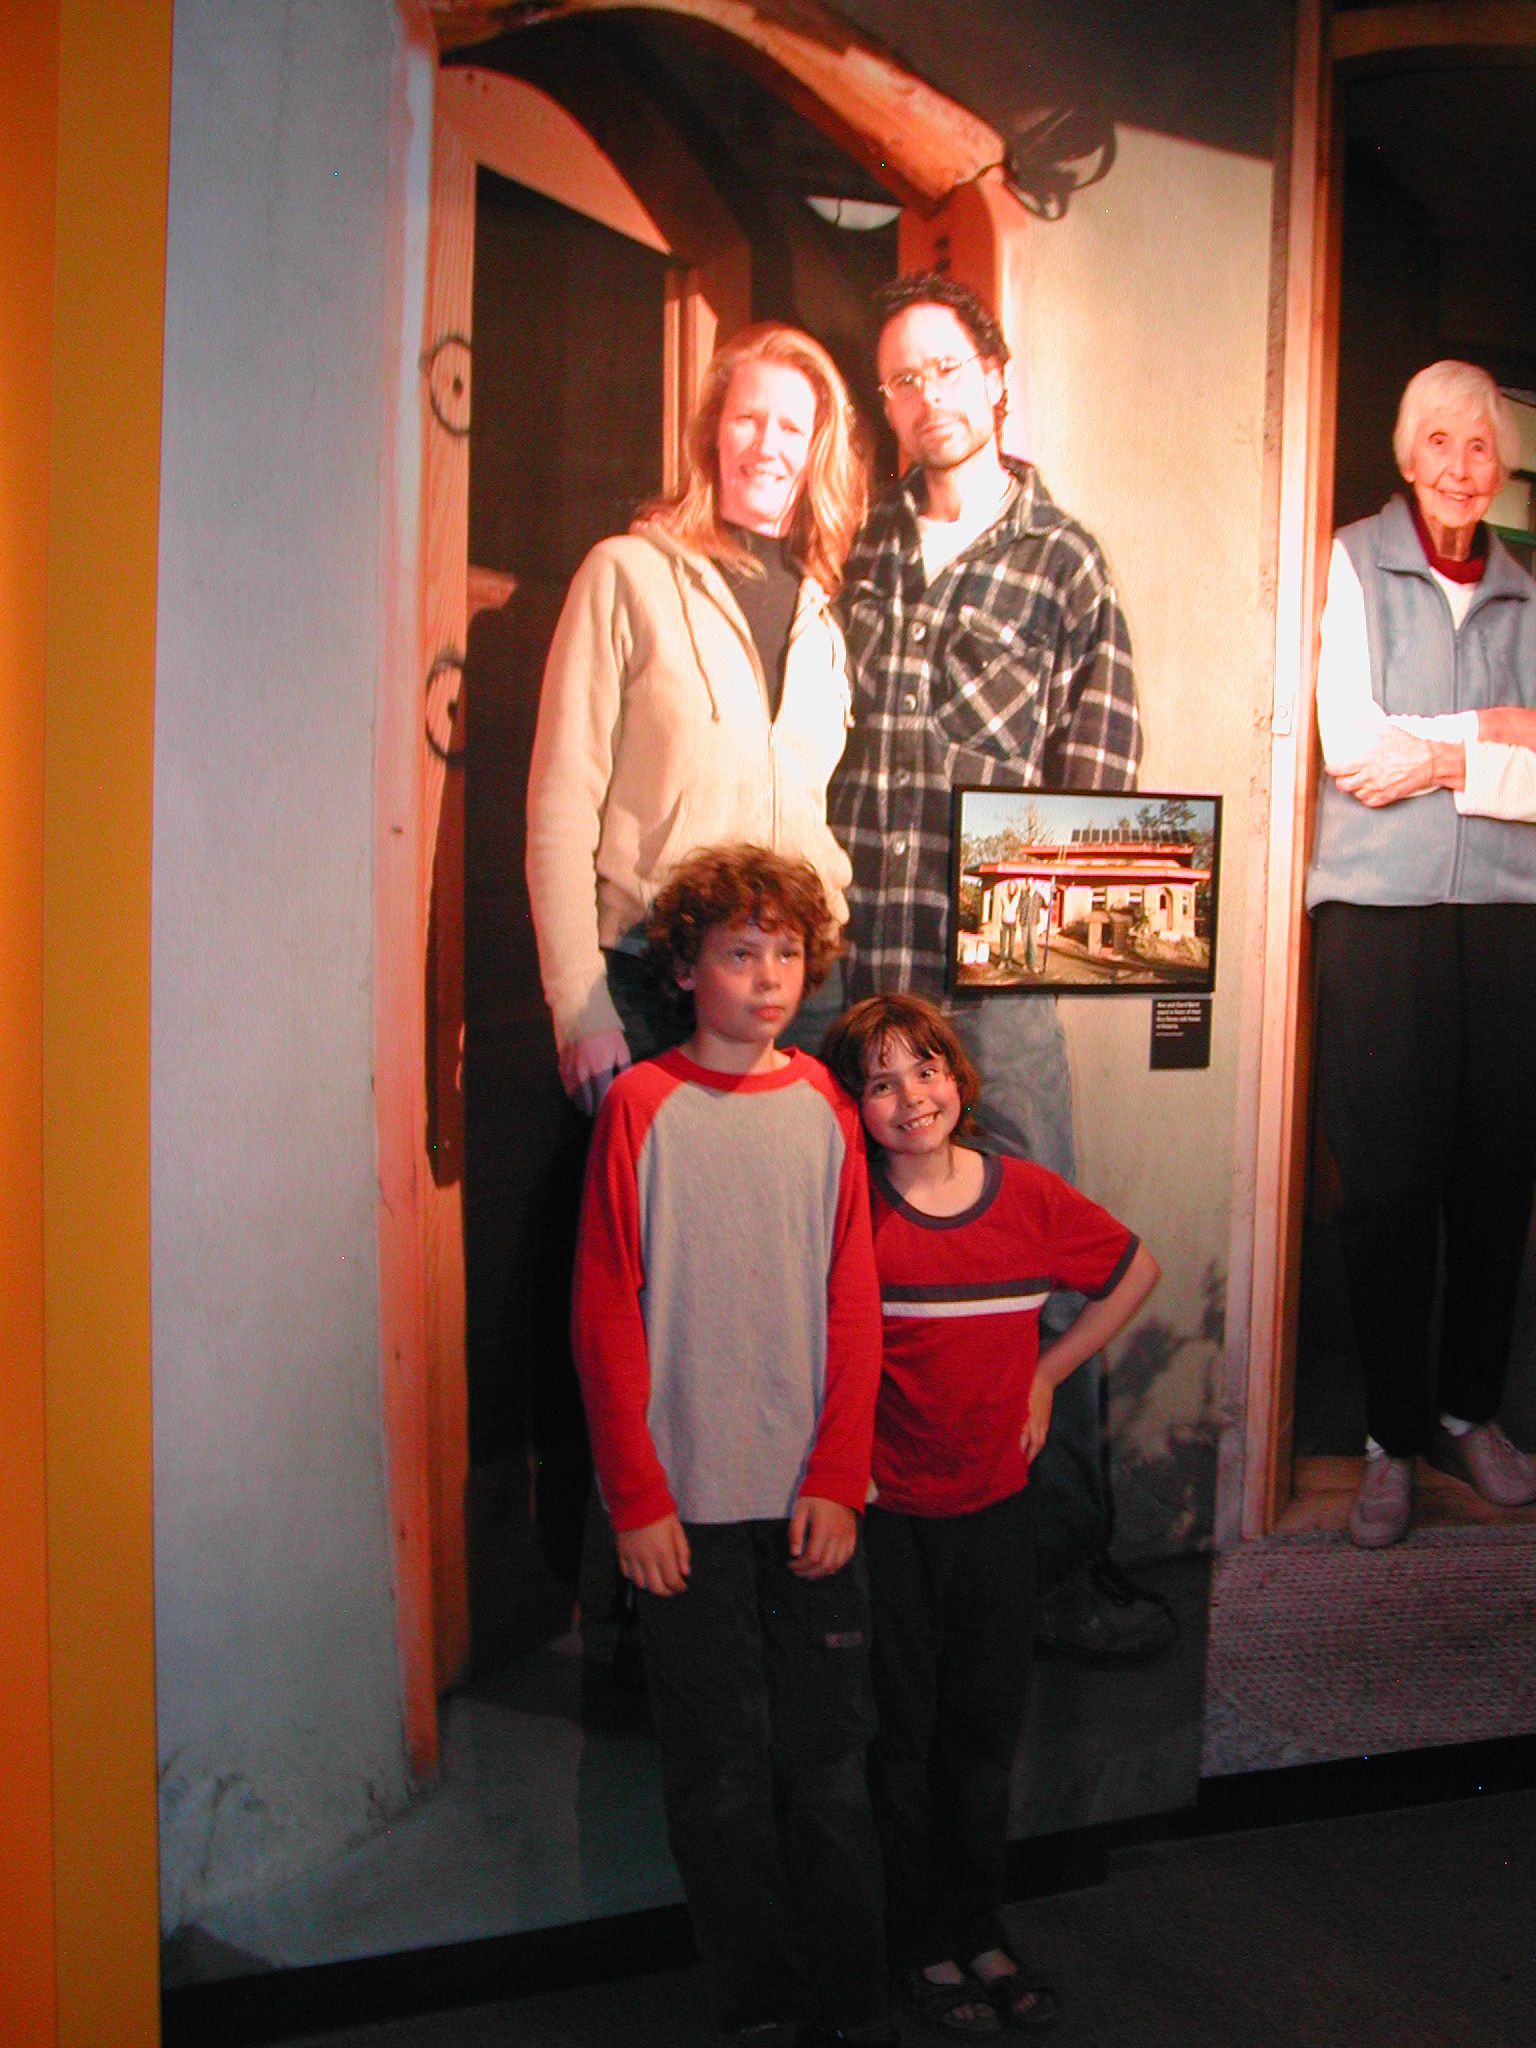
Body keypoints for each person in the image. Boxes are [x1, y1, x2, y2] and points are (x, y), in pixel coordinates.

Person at [827, 272, 1158, 1656]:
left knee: (1048, 1267)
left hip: (995, 993)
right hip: (852, 976)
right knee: (845, 1267)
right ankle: (851, 1574)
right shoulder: (851, 544)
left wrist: (1022, 964)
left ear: (998, 374)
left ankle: (1061, 1572)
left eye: (947, 369)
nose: (927, 398)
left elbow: (1101, 779)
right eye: (902, 379)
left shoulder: (1065, 559)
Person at [571, 845, 893, 2048]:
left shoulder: (824, 1105)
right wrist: (637, 1495)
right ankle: (760, 2002)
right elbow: (604, 1308)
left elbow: (853, 1301)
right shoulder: (641, 1105)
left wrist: (838, 1475)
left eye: (787, 953)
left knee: (829, 1768)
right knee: (716, 1774)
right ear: (686, 969)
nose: (767, 977)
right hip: (687, 1511)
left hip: (813, 1503)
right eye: (740, 952)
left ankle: (854, 2002)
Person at [821, 993, 1159, 2036]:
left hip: (996, 1517)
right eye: (880, 1082)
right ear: (854, 1104)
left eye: (925, 1069)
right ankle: (917, 1940)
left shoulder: (1025, 1195)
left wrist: (1049, 1371)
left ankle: (977, 1924)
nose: (910, 1097)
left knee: (980, 1735)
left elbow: (1133, 1271)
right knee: (901, 1740)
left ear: (958, 1078)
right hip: (888, 1521)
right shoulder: (851, 1211)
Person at [1307, 359, 1536, 1548]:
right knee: (1389, 1190)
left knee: (1498, 1180)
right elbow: (1353, 748)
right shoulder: (1351, 561)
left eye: (1480, 445)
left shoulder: (1528, 594)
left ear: (1502, 467)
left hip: (1507, 917)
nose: (1459, 466)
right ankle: (1391, 1436)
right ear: (1408, 455)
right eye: (1439, 441)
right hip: (1378, 915)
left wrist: (1439, 755)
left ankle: (1469, 1410)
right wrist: (1503, 736)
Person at [526, 322, 867, 1115]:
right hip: (656, 983)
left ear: (816, 449)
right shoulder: (626, 574)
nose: (767, 445)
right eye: (748, 418)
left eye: (791, 427)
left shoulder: (823, 616)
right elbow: (560, 805)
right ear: (713, 432)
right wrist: (578, 1003)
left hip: (799, 989)